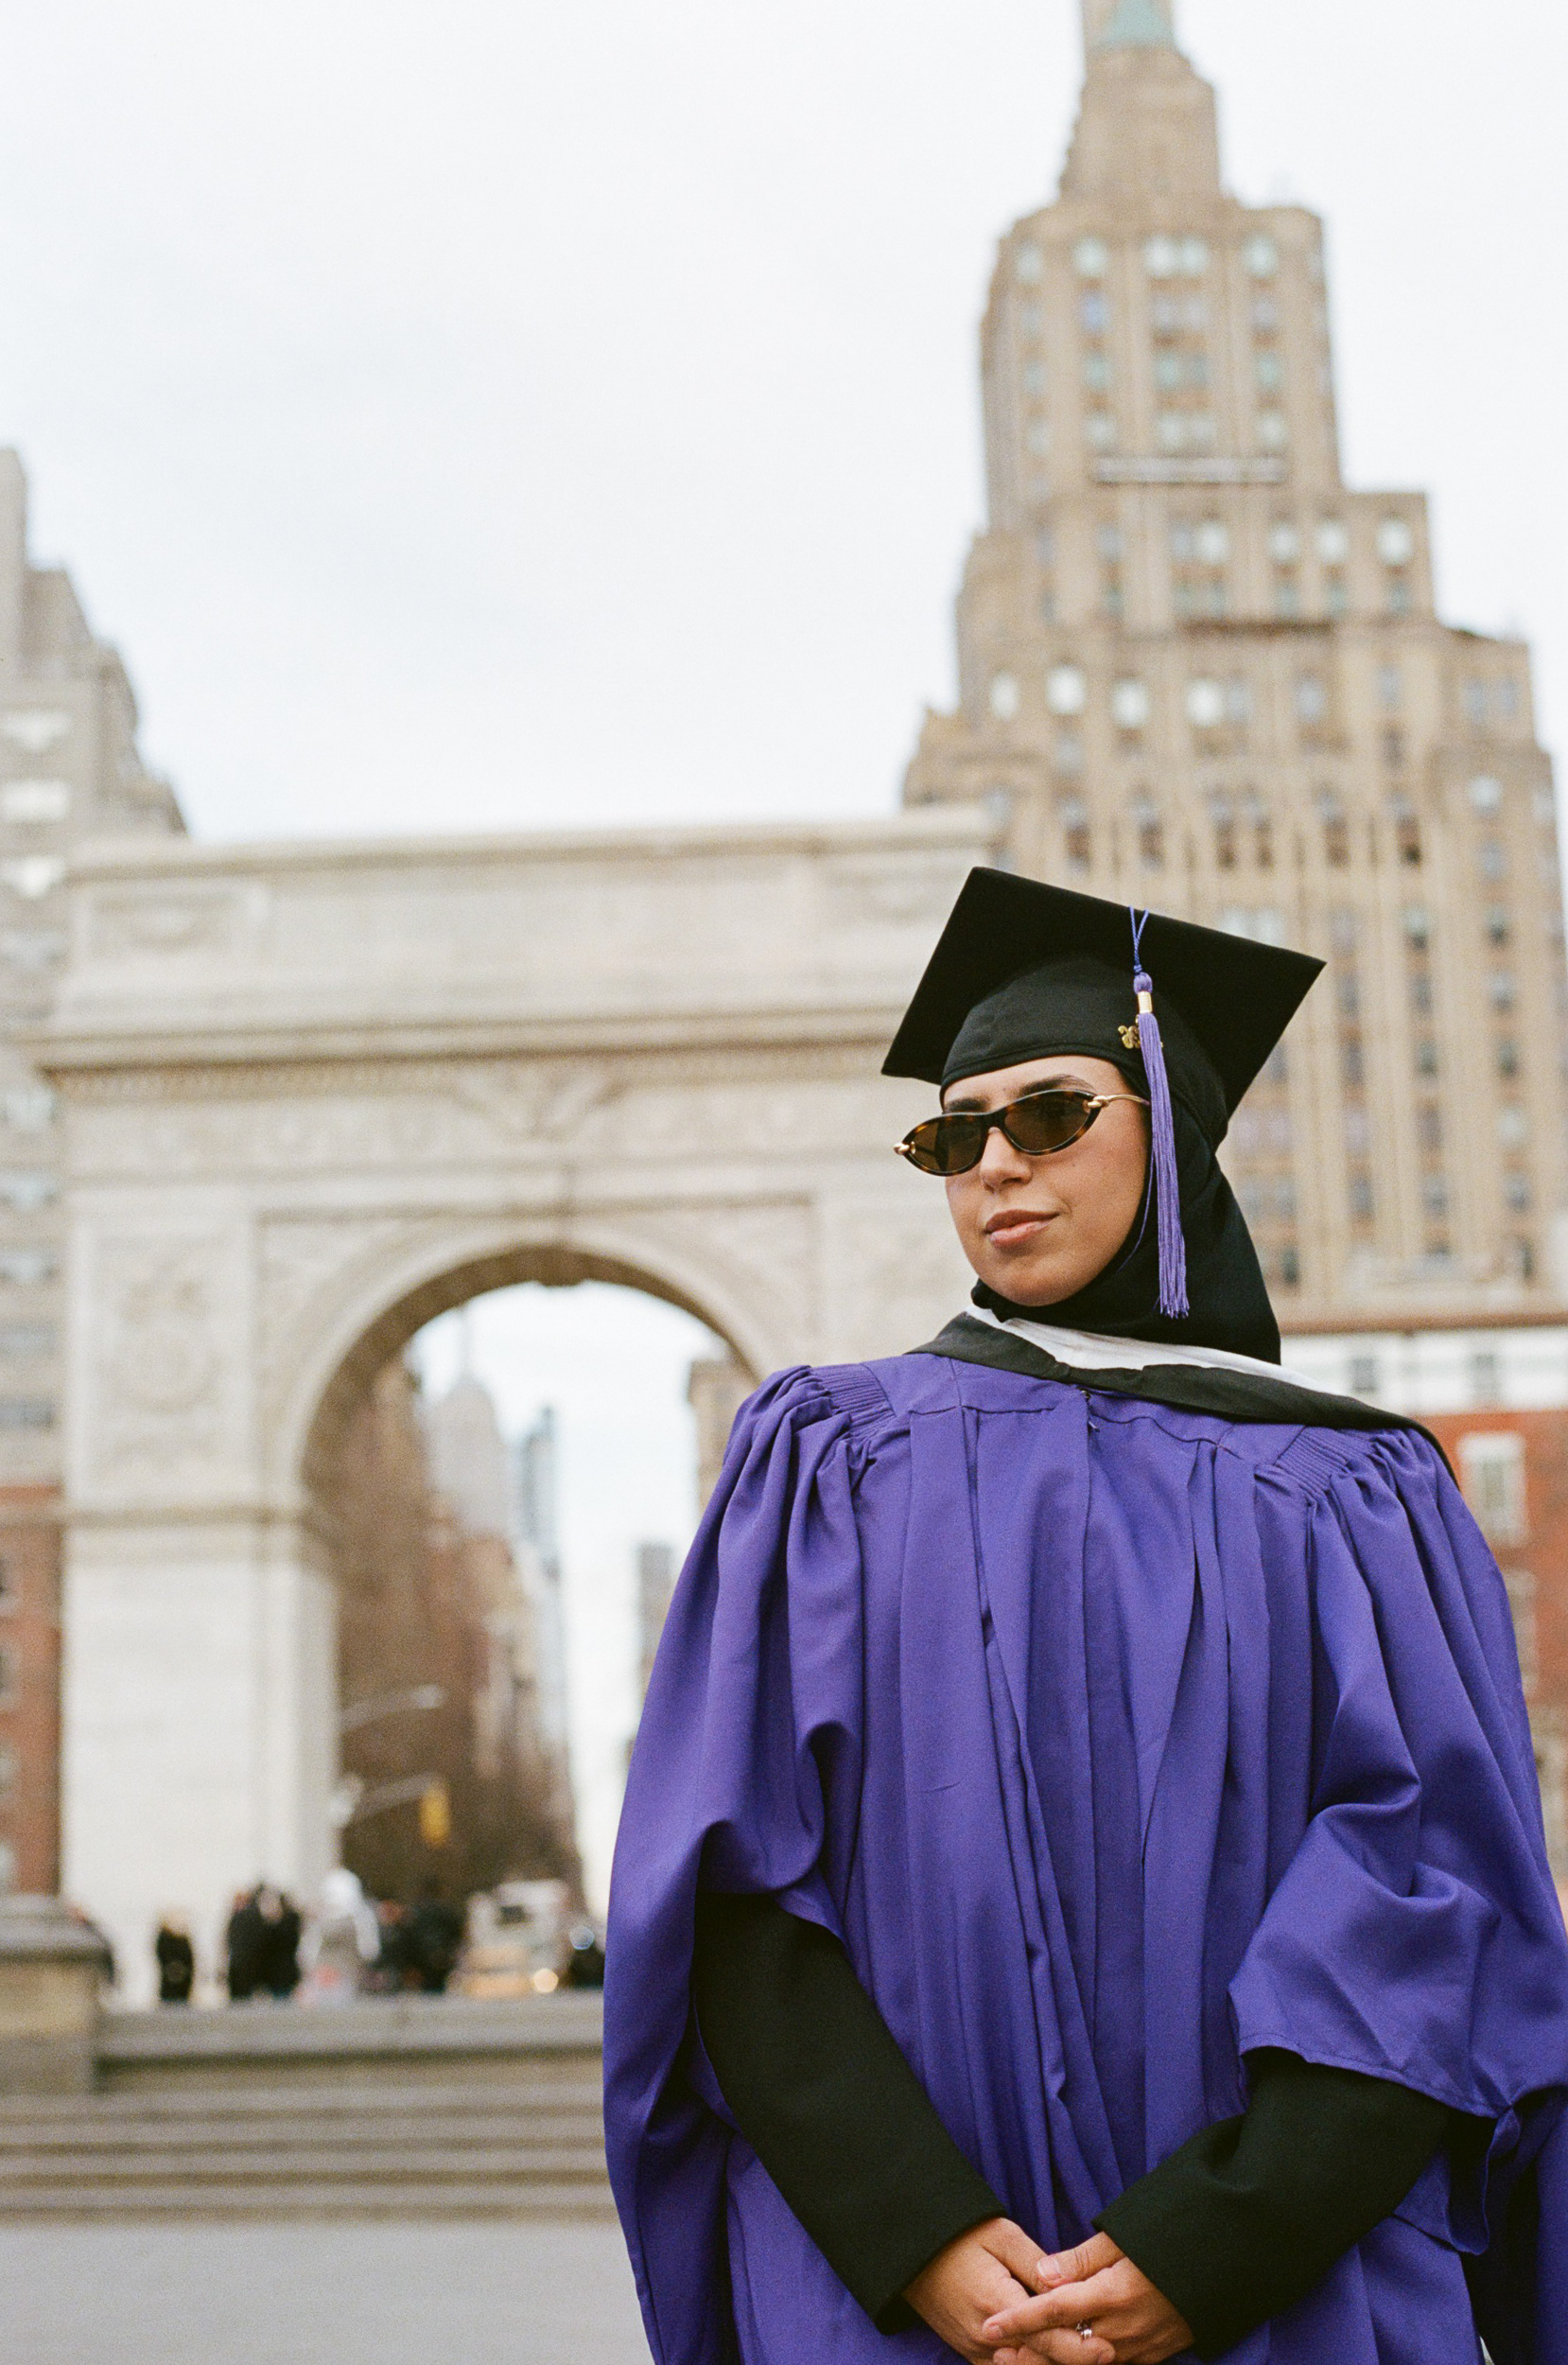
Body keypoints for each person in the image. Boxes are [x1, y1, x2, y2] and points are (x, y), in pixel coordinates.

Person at [605, 872, 1568, 2365]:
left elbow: (1436, 1898)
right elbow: (732, 1892)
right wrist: (916, 2235)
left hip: (1286, 2285)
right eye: (951, 1134)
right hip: (909, 2302)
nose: (997, 1164)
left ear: (1167, 1128)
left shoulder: (1352, 1491)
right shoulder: (830, 1462)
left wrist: (1214, 2242)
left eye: (1050, 1115)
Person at [298, 1866, 380, 2005]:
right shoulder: (362, 1917)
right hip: (325, 1980)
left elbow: (306, 1952)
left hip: (346, 1979)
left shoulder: (360, 1917)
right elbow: (370, 1951)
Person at [406, 1880, 465, 1995]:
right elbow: (458, 1932)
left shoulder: (418, 1912)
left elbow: (411, 1937)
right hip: (441, 1957)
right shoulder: (446, 1911)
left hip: (424, 1958)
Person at [153, 1913, 195, 2006]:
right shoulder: (164, 1939)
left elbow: (189, 1960)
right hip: (169, 1985)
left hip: (184, 1984)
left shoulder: (184, 1940)